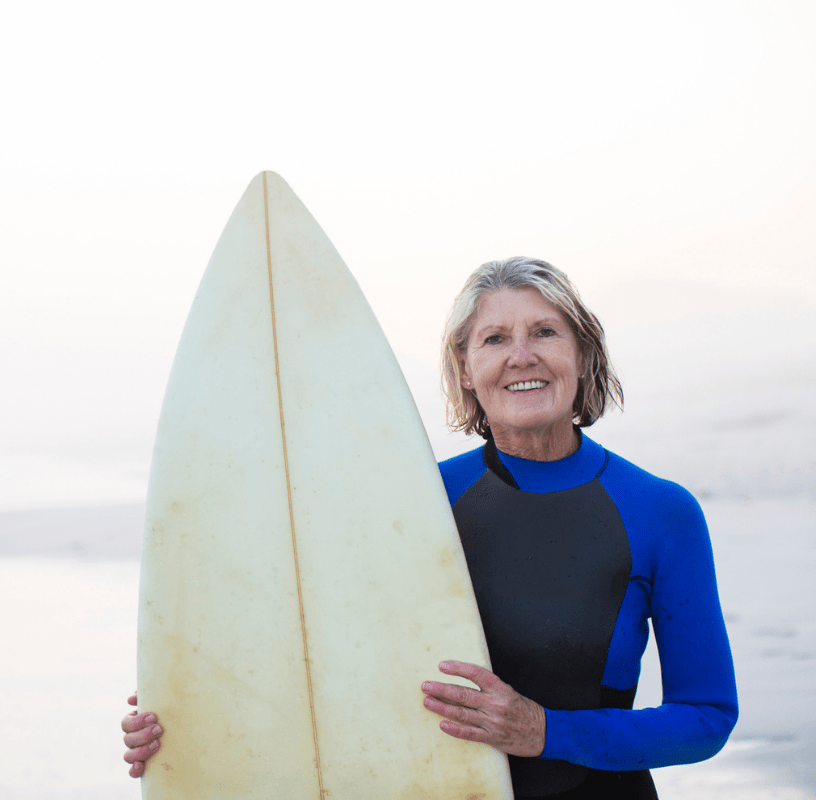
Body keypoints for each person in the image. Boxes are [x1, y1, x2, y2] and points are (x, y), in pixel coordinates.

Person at [120, 257, 737, 799]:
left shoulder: (659, 510)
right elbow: (314, 657)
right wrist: (187, 725)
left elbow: (707, 717)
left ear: (581, 354)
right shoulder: (413, 504)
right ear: (465, 368)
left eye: (545, 332)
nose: (522, 355)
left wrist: (544, 730)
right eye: (495, 338)